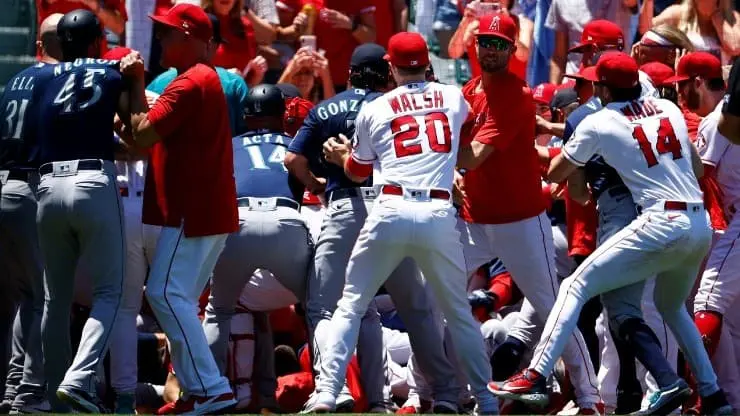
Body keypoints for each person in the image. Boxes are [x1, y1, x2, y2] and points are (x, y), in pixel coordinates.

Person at [490, 52, 734, 416]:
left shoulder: (599, 119)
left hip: (659, 219)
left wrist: (545, 153)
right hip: (697, 224)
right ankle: (713, 396)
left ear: (602, 87)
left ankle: (536, 373)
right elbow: (697, 167)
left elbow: (557, 173)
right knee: (670, 307)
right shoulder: (666, 109)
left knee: (574, 285)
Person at [302, 31, 498, 414]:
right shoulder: (453, 97)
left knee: (351, 305)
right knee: (456, 311)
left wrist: (342, 155)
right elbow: (468, 132)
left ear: (391, 68)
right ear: (427, 65)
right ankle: (484, 400)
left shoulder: (376, 108)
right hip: (438, 211)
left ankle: (327, 392)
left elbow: (357, 172)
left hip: (389, 208)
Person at [454, 13, 600, 413]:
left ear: (513, 49)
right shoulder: (469, 89)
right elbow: (458, 149)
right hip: (474, 219)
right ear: (477, 44)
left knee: (551, 309)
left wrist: (435, 157)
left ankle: (590, 397)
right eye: (486, 41)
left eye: (500, 44)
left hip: (520, 220)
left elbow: (474, 156)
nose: (491, 50)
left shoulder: (516, 95)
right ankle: (434, 393)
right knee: (438, 298)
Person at [121, 3, 238, 413]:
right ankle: (197, 390)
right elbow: (142, 142)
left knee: (164, 294)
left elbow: (142, 132)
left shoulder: (191, 82)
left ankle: (213, 387)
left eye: (168, 32)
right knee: (179, 301)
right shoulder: (198, 79)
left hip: (194, 211)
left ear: (188, 37)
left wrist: (135, 83)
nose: (160, 38)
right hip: (206, 209)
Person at [29, 9, 130, 412]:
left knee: (55, 298)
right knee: (110, 292)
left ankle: (57, 395)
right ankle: (78, 379)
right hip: (93, 179)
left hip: (48, 184)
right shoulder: (110, 70)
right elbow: (133, 131)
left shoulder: (40, 79)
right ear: (95, 41)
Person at [202, 84, 311, 412]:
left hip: (240, 221)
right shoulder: (296, 143)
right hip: (286, 220)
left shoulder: (230, 145)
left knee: (218, 311)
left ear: (246, 116)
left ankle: (210, 390)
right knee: (319, 309)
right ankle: (334, 389)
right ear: (281, 115)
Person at [0, 12, 65, 415]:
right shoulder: (59, 81)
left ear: (38, 45)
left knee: (13, 297)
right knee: (42, 296)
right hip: (30, 189)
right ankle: (30, 390)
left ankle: (10, 388)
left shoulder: (12, 83)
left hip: (3, 184)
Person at [674, 51, 740, 413]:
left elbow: (700, 183)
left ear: (698, 81)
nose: (681, 96)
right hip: (733, 224)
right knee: (732, 324)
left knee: (706, 303)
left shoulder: (718, 123)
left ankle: (701, 396)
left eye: (683, 87)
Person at [148, 12, 249, 136]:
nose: (159, 38)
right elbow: (245, 138)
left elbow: (142, 137)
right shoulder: (233, 83)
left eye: (165, 34)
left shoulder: (160, 81)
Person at [201, 0, 268, 86]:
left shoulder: (245, 26)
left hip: (239, 96)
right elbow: (188, 70)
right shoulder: (199, 23)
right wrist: (223, 76)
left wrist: (256, 75)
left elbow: (248, 82)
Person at [652, 0, 740, 64]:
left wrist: (718, 19)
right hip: (685, 84)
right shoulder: (678, 13)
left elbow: (735, 48)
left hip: (718, 85)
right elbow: (648, 29)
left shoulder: (732, 18)